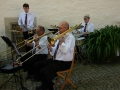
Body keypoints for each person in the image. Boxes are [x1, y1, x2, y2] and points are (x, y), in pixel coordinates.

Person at [34, 21, 75, 90]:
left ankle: (48, 87)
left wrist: (61, 41)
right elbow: (54, 51)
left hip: (64, 63)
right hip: (56, 60)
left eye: (60, 28)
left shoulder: (70, 37)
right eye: (58, 28)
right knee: (38, 65)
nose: (58, 30)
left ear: (66, 28)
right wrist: (50, 48)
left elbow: (65, 50)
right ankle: (45, 85)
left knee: (45, 71)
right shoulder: (60, 35)